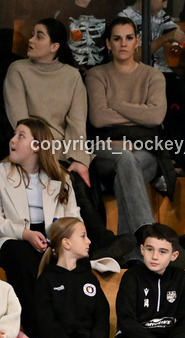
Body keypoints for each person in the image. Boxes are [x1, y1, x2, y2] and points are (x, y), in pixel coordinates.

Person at [4, 18, 112, 250]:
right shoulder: (18, 70)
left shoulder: (72, 76)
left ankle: (96, 245)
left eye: (39, 36)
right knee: (69, 182)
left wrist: (79, 159)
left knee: (80, 178)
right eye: (32, 34)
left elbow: (76, 125)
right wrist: (48, 155)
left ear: (54, 46)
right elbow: (20, 123)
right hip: (32, 150)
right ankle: (102, 243)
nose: (31, 40)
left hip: (63, 153)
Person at [85, 18, 170, 239]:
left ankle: (127, 243)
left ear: (137, 42)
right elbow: (98, 118)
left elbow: (155, 116)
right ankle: (147, 235)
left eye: (129, 38)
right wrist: (138, 115)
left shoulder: (153, 76)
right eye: (117, 38)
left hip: (145, 151)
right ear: (108, 43)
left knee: (126, 169)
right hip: (105, 149)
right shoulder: (96, 75)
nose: (123, 43)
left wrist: (116, 104)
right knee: (124, 158)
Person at [0, 117, 80, 337]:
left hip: (52, 237)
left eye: (21, 136)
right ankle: (38, 334)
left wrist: (61, 241)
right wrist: (25, 234)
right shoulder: (1, 173)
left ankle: (73, 333)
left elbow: (73, 218)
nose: (12, 140)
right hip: (13, 237)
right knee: (21, 255)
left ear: (37, 146)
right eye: (14, 134)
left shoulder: (61, 177)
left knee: (75, 260)